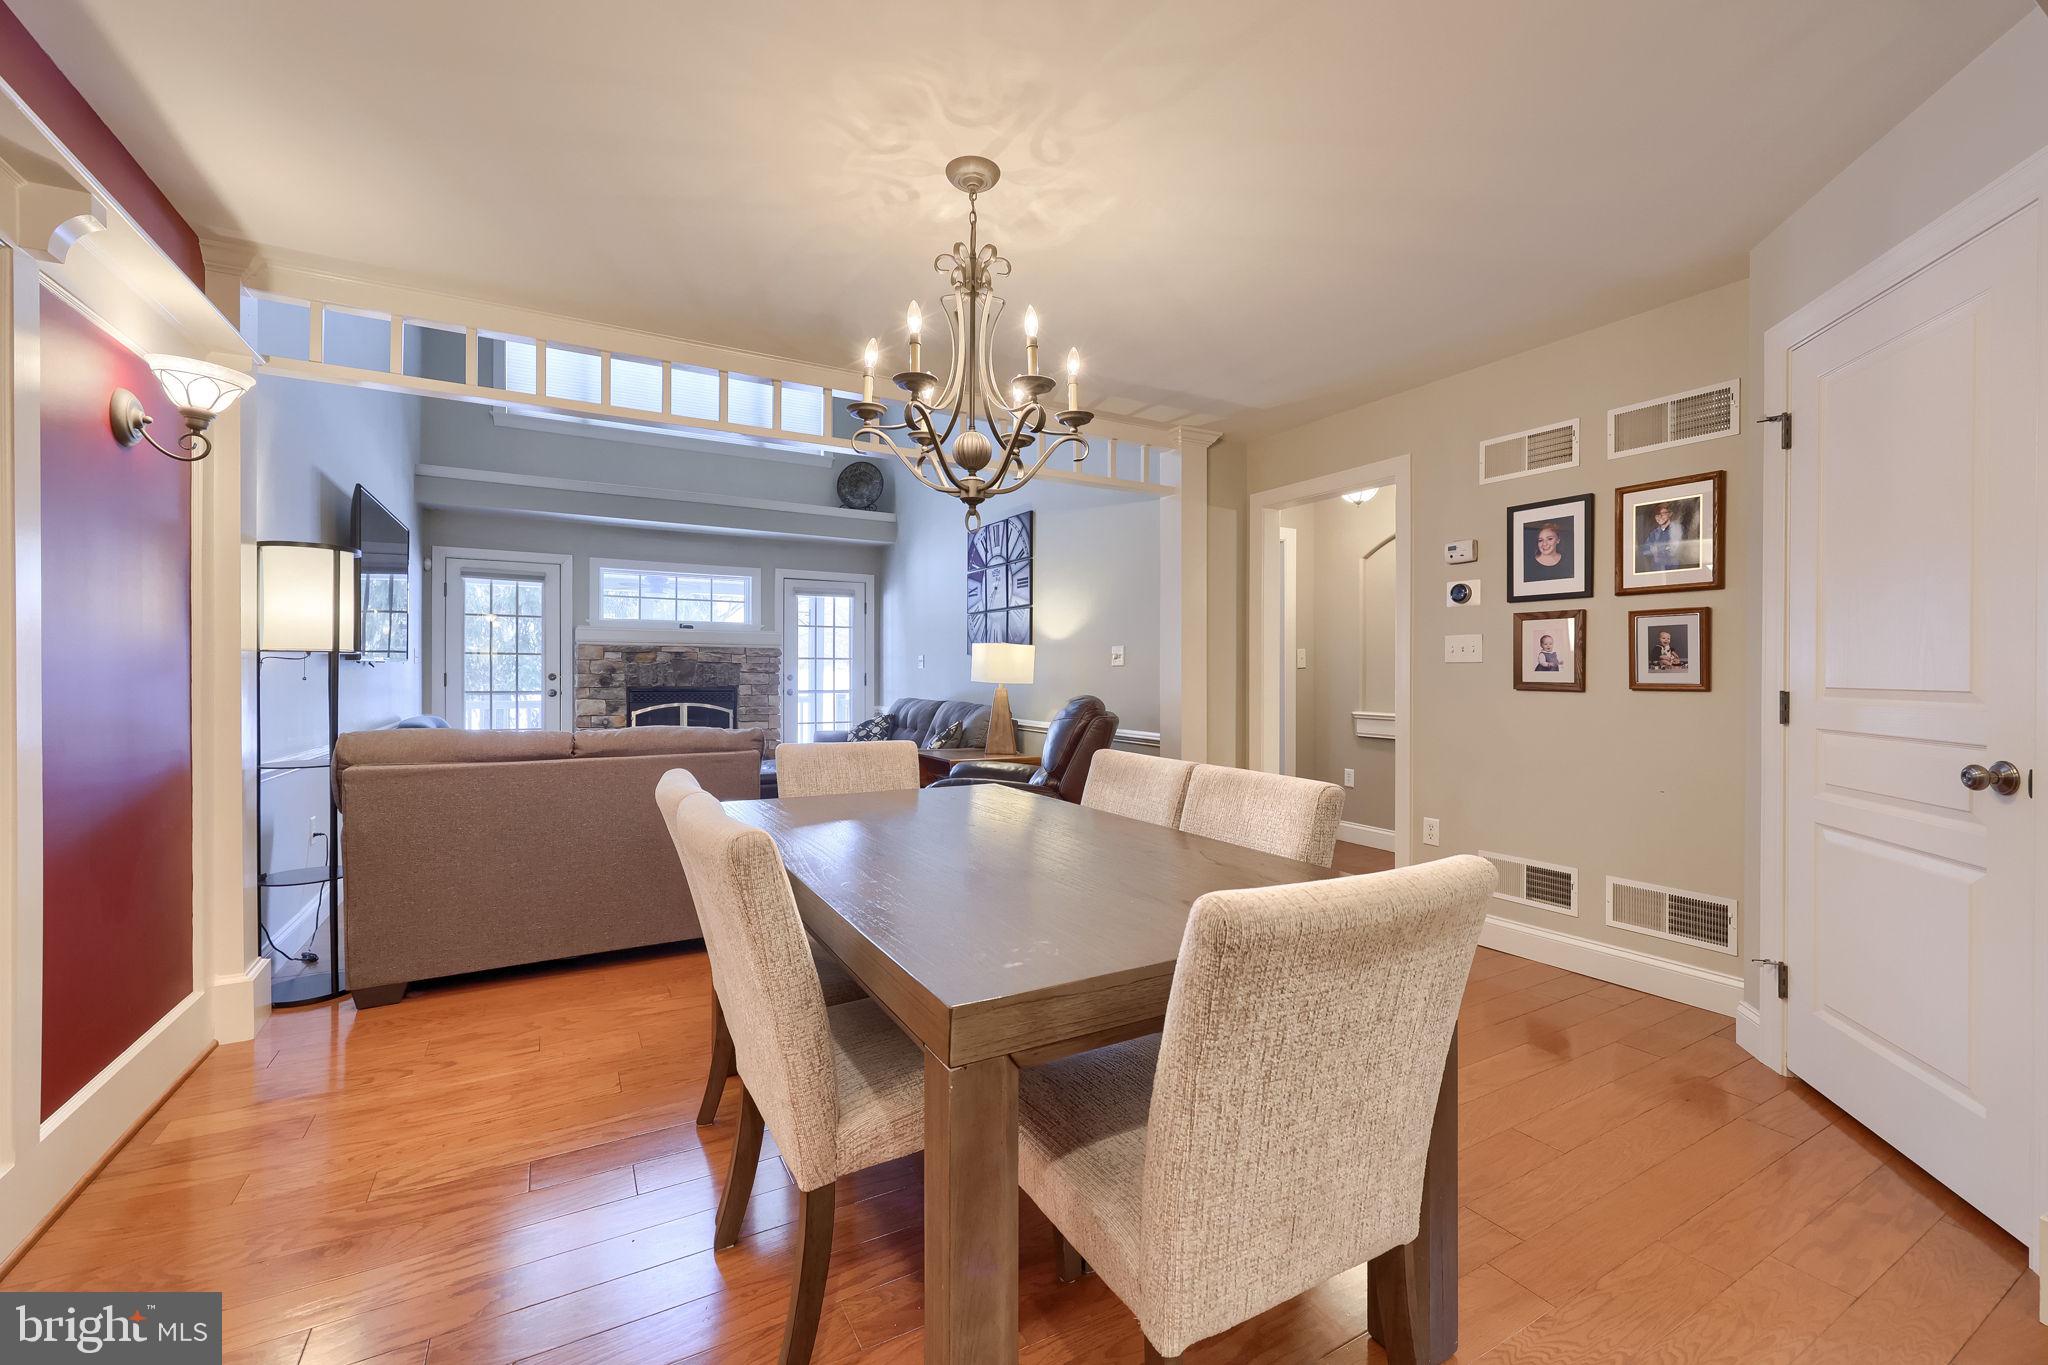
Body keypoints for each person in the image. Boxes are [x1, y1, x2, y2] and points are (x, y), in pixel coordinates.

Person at [1641, 502, 1687, 572]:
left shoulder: (1676, 528)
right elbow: (1644, 550)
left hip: (1673, 568)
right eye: (1657, 515)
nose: (1659, 517)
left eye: (1662, 514)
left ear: (1670, 514)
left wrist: (1655, 549)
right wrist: (1661, 549)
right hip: (1656, 569)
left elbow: (1673, 549)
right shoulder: (1654, 532)